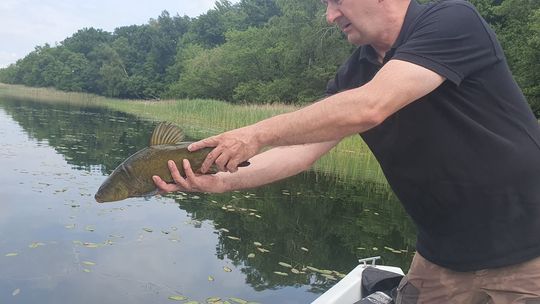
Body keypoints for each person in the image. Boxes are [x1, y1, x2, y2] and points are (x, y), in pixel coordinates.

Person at [153, 0, 540, 302]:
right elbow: (300, 152)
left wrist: (256, 133)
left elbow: (371, 106)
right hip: (441, 254)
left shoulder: (452, 21)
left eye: (336, 2)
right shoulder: (352, 75)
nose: (329, 16)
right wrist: (220, 182)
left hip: (530, 250)